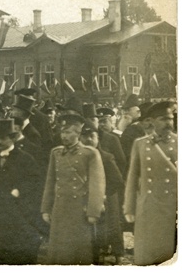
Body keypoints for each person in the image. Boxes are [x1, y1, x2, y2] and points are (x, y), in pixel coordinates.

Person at [40, 113, 105, 264]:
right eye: (63, 132)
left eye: (68, 132)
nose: (64, 136)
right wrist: (45, 208)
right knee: (59, 251)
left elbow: (97, 184)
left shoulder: (90, 154)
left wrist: (93, 211)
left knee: (79, 251)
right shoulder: (56, 153)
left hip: (79, 210)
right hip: (60, 208)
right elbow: (50, 183)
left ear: (78, 133)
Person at [123, 101, 177, 265]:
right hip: (149, 207)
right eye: (163, 119)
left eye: (170, 119)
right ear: (152, 122)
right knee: (149, 252)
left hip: (173, 206)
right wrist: (129, 208)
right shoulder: (140, 144)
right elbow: (132, 179)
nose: (168, 123)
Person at [0, 118, 43, 264]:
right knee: (2, 248)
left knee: (19, 249)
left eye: (3, 138)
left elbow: (35, 181)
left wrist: (19, 190)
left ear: (12, 138)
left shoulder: (25, 158)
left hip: (20, 210)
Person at [80, 120, 124, 264]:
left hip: (108, 197)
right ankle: (93, 254)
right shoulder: (79, 157)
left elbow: (117, 181)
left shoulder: (106, 157)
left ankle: (117, 254)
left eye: (92, 136)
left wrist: (104, 195)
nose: (88, 140)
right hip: (87, 197)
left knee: (111, 225)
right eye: (84, 136)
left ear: (98, 138)